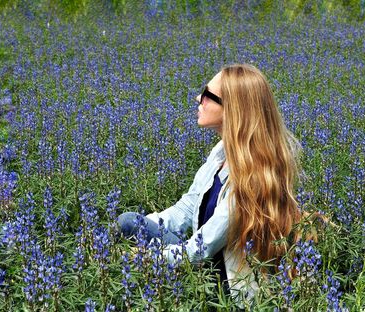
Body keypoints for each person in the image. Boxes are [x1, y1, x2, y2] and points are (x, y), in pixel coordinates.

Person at [117, 64, 302, 302]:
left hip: (225, 290)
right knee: (129, 222)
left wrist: (142, 256)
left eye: (207, 95)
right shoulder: (220, 154)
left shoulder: (251, 178)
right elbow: (185, 208)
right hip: (203, 263)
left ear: (232, 110)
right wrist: (144, 227)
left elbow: (200, 251)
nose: (198, 99)